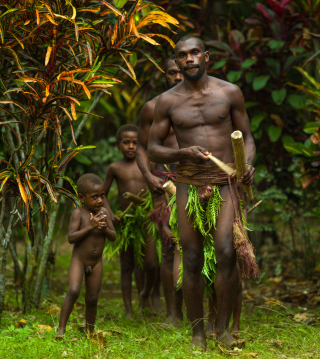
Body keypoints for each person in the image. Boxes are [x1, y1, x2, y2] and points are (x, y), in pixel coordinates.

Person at [147, 35, 256, 350]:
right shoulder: (168, 101)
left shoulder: (229, 93)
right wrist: (182, 154)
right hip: (188, 183)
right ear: (177, 63)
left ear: (206, 56)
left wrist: (246, 163)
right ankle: (198, 334)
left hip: (224, 183)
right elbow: (153, 149)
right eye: (182, 55)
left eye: (195, 53)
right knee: (192, 258)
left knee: (226, 251)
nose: (189, 59)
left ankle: (221, 328)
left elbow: (247, 137)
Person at [136, 55, 184, 327]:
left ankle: (208, 315)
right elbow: (143, 148)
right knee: (169, 246)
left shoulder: (203, 105)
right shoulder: (152, 108)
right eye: (171, 72)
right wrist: (150, 178)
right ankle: (173, 314)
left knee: (202, 247)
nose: (176, 77)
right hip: (165, 183)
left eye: (180, 72)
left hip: (198, 181)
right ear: (164, 75)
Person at [104, 124, 161, 319]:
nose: (131, 146)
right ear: (118, 145)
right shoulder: (115, 168)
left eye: (135, 143)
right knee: (127, 264)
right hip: (125, 220)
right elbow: (101, 194)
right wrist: (111, 214)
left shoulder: (149, 166)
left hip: (148, 218)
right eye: (126, 143)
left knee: (151, 263)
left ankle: (146, 294)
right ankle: (129, 308)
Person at [57, 173, 116, 336]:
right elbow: (71, 238)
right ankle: (61, 329)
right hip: (79, 260)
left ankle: (90, 331)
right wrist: (90, 226)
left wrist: (105, 229)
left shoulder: (104, 213)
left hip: (96, 263)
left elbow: (113, 237)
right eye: (94, 197)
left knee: (92, 298)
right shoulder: (78, 214)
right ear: (82, 197)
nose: (100, 200)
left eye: (102, 196)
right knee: (74, 290)